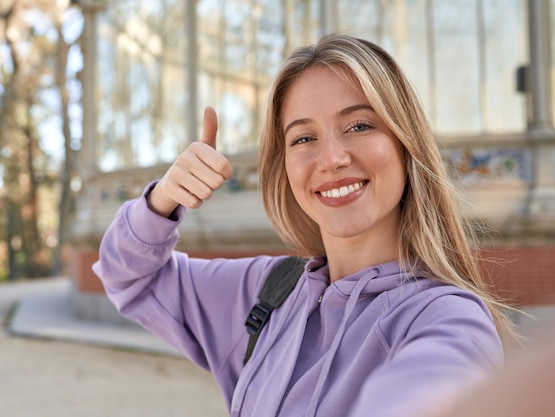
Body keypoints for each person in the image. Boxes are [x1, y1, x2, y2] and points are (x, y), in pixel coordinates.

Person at [93, 33, 518, 417]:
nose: (331, 159)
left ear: (405, 144)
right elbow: (131, 277)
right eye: (303, 138)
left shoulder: (449, 320)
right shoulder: (267, 292)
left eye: (359, 125)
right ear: (285, 166)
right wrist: (162, 200)